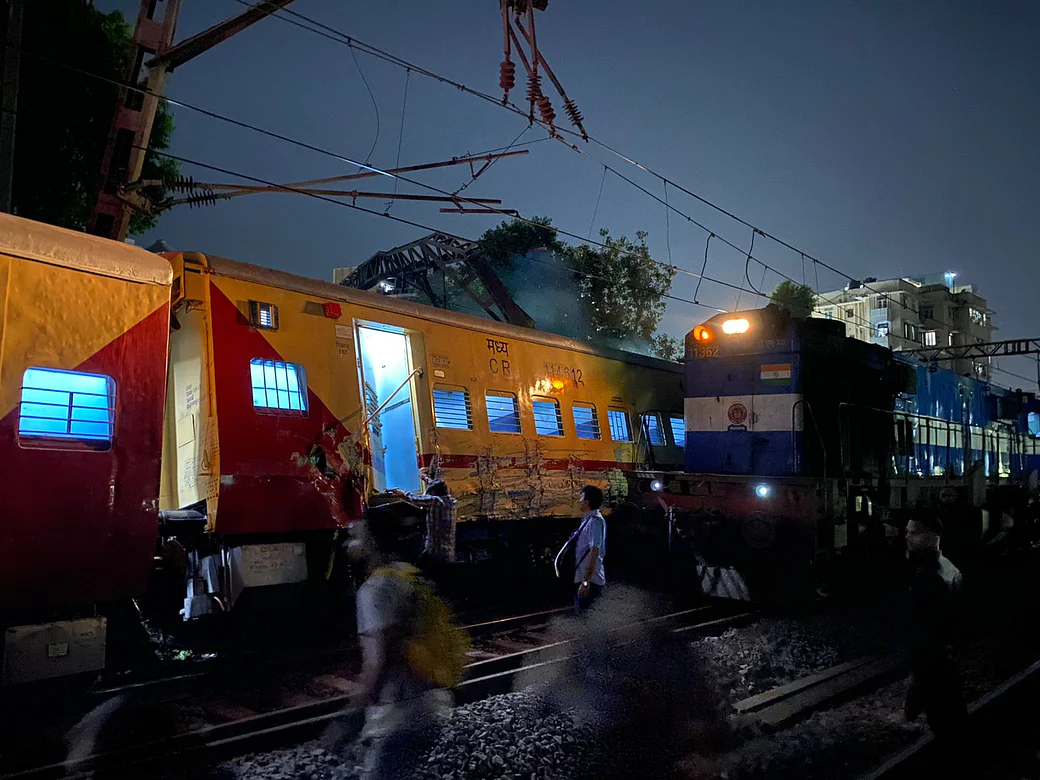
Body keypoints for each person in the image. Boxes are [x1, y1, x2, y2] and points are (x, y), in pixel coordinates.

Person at [345, 507, 452, 780]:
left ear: (371, 542)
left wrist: (349, 718)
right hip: (434, 705)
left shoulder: (374, 591)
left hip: (399, 716)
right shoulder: (410, 575)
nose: (349, 543)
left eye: (355, 536)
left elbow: (379, 661)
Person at [903, 508, 967, 743]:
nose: (907, 537)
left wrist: (916, 686)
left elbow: (925, 637)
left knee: (944, 726)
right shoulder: (950, 569)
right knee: (953, 720)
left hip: (935, 669)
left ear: (933, 536)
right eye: (907, 532)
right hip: (949, 664)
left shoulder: (928, 579)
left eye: (914, 532)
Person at [391, 480, 458, 564]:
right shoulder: (452, 502)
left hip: (436, 552)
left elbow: (415, 498)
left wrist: (399, 492)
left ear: (433, 492)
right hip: (448, 553)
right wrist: (426, 478)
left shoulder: (435, 501)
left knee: (420, 572)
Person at [573, 485, 607, 613]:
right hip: (585, 579)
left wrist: (586, 582)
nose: (579, 500)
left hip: (591, 582)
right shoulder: (587, 520)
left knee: (587, 619)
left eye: (581, 497)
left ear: (587, 502)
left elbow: (594, 551)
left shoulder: (595, 521)